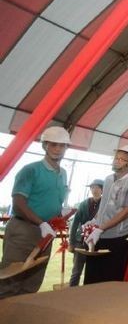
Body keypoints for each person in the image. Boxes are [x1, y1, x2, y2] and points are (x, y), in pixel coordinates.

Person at [0, 126, 71, 298]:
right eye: (53, 144)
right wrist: (41, 223)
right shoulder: (30, 170)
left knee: (33, 282)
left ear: (66, 148)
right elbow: (18, 203)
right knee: (11, 279)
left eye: (62, 145)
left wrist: (61, 213)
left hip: (47, 233)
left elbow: (53, 201)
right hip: (24, 230)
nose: (57, 149)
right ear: (45, 145)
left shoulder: (63, 173)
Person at [83, 145, 128, 284]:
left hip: (120, 236)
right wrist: (94, 221)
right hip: (102, 233)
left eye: (122, 159)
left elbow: (127, 210)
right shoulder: (108, 179)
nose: (117, 161)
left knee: (111, 277)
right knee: (93, 275)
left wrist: (101, 228)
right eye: (116, 157)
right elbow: (104, 204)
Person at [68, 179, 103, 286]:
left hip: (97, 241)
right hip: (81, 241)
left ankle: (88, 293)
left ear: (102, 190)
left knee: (93, 271)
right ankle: (71, 292)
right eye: (92, 187)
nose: (94, 190)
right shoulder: (83, 204)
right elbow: (75, 223)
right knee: (76, 271)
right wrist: (71, 242)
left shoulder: (105, 205)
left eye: (97, 187)